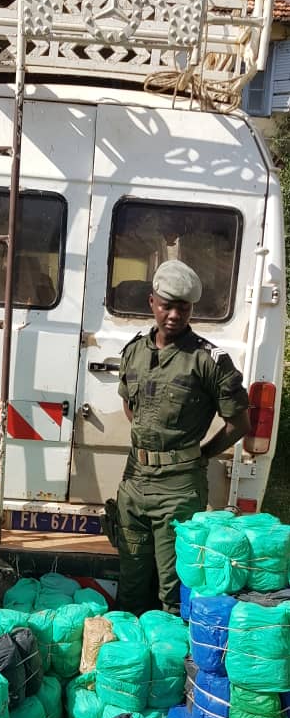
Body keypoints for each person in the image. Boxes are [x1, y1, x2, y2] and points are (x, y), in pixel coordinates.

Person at [115, 259, 250, 616]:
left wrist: (202, 454)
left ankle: (172, 662)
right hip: (134, 483)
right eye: (167, 305)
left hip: (178, 489)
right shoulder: (134, 352)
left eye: (183, 307)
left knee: (172, 587)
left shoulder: (208, 361)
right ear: (152, 303)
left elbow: (239, 424)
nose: (174, 314)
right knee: (129, 580)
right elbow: (131, 406)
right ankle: (129, 661)